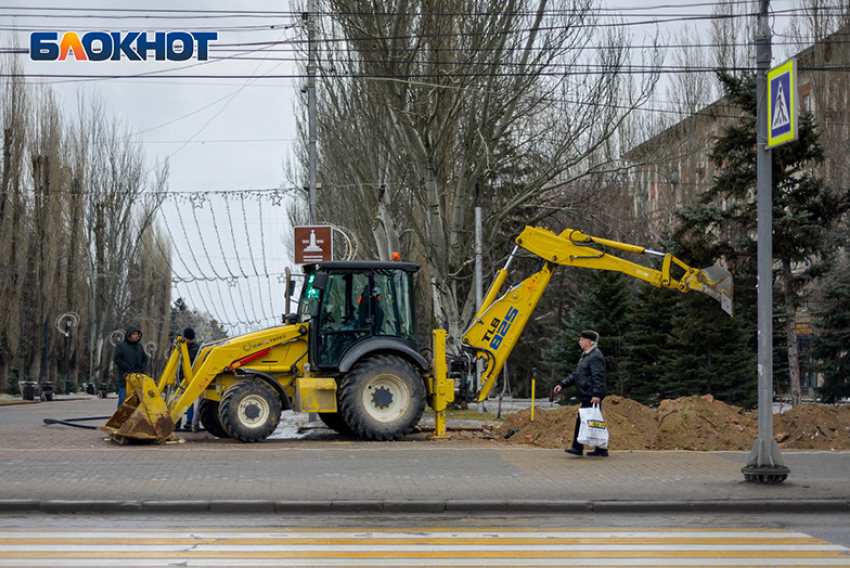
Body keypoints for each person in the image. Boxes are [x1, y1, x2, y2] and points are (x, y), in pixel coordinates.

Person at [553, 330, 608, 457]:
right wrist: (562, 384)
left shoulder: (595, 356)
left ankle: (578, 447)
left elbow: (598, 376)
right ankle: (601, 448)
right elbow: (577, 374)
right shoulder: (587, 355)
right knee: (593, 420)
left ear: (589, 342)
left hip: (590, 394)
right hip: (587, 393)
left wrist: (596, 394)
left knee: (584, 419)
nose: (580, 342)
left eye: (582, 339)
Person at [112, 325, 148, 408]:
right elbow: (117, 359)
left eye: (137, 334)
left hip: (137, 378)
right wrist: (126, 366)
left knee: (137, 399)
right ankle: (120, 418)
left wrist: (142, 367)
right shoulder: (121, 346)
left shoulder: (139, 347)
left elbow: (145, 359)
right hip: (125, 378)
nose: (136, 336)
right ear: (129, 335)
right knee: (123, 399)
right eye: (134, 334)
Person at [176, 327, 201, 431]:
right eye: (189, 339)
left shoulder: (196, 348)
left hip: (190, 376)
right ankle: (177, 421)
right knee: (179, 400)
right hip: (181, 376)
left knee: (188, 400)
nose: (190, 341)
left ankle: (188, 422)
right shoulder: (180, 347)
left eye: (191, 339)